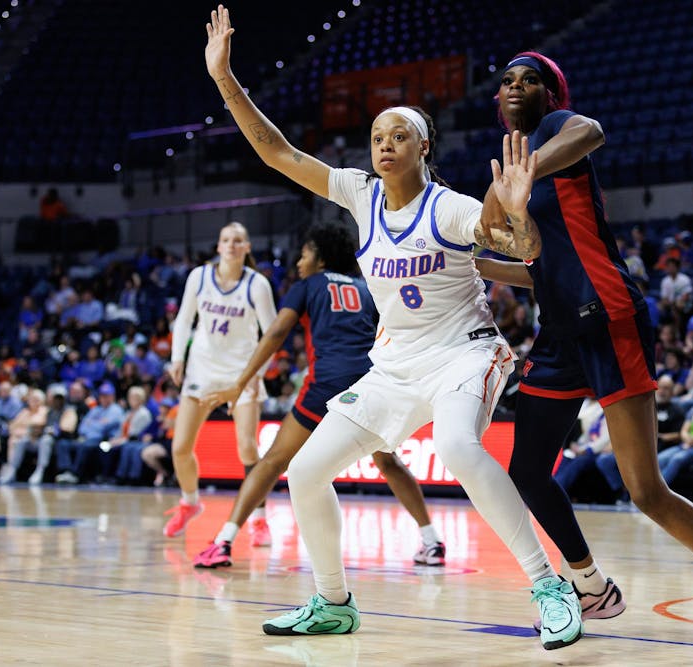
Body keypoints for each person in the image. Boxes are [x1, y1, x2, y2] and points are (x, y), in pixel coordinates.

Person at [204, 8, 581, 650]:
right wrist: (224, 78)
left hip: (465, 354)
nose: (384, 144)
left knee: (458, 446)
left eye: (398, 135)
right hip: (395, 367)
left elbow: (524, 251)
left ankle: (550, 586)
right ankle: (333, 602)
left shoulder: (450, 207)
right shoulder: (360, 194)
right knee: (305, 470)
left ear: (423, 147)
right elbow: (277, 151)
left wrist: (518, 214)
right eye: (378, 135)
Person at [475, 50, 693, 656]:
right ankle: (591, 587)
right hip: (559, 331)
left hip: (610, 316)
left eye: (530, 79)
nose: (516, 86)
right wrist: (474, 263)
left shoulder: (558, 132)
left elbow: (593, 130)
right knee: (527, 470)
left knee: (645, 491)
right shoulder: (508, 171)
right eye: (507, 80)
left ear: (550, 93)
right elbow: (535, 267)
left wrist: (522, 175)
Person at [195, 223, 447, 568]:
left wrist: (240, 382)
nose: (299, 262)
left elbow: (277, 332)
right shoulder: (366, 288)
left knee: (273, 461)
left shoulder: (308, 285)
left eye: (305, 254)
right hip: (370, 383)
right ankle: (432, 541)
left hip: (327, 383)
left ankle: (223, 542)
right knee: (388, 463)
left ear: (321, 257)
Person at [162, 221, 278, 541]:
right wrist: (177, 358)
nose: (231, 245)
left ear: (247, 247)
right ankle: (189, 503)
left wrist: (256, 374)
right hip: (201, 370)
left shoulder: (257, 285)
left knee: (247, 448)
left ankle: (258, 519)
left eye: (238, 240)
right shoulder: (199, 277)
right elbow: (183, 320)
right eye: (226, 240)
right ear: (218, 246)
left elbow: (272, 335)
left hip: (241, 373)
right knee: (180, 448)